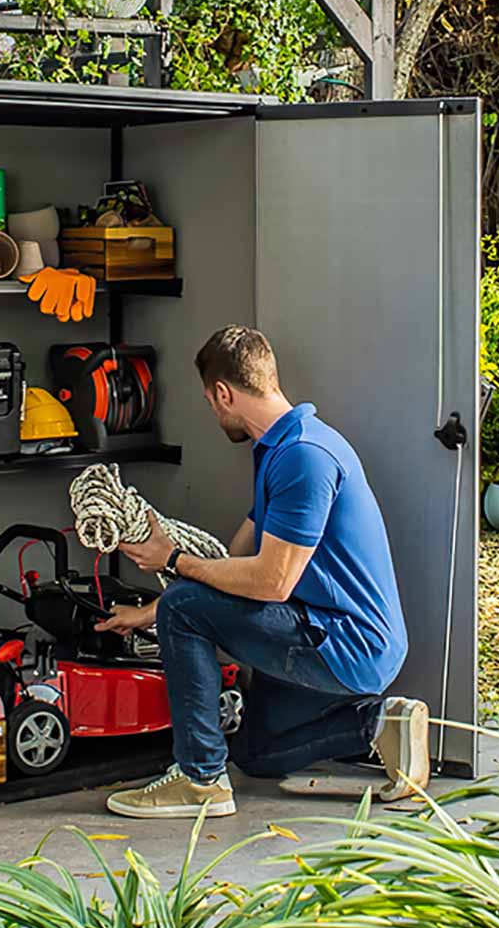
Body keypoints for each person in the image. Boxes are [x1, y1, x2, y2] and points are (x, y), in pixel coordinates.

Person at [96, 325, 427, 819]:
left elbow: (272, 583)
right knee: (256, 753)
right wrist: (153, 611)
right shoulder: (280, 446)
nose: (213, 412)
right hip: (324, 627)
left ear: (224, 393)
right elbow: (234, 562)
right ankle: (381, 723)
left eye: (211, 401)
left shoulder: (304, 459)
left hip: (348, 642)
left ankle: (200, 779)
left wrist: (171, 562)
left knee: (188, 607)